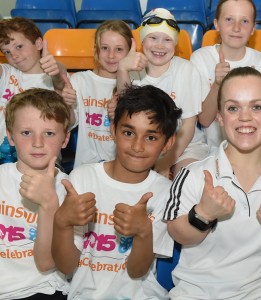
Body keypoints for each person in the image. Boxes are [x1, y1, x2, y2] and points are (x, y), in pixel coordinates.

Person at [164, 67, 261, 299]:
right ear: (219, 116)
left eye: (256, 107)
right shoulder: (192, 174)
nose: (245, 117)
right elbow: (178, 233)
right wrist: (203, 214)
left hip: (258, 295)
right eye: (233, 108)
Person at [51, 85, 182, 299]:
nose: (137, 146)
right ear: (113, 130)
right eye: (129, 132)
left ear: (167, 143)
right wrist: (61, 223)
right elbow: (66, 266)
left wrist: (143, 232)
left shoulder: (165, 192)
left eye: (150, 137)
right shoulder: (82, 178)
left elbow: (137, 271)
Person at [117, 8, 208, 178]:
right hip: (142, 144)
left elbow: (187, 127)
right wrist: (122, 69)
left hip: (185, 146)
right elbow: (123, 113)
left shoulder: (187, 70)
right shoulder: (131, 69)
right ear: (143, 41)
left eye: (167, 40)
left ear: (174, 44)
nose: (160, 45)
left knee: (188, 178)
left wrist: (165, 163)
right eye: (153, 38)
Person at [0, 88, 71, 299]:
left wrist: (49, 204)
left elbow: (47, 263)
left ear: (65, 139)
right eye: (26, 132)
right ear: (10, 137)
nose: (37, 142)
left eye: (49, 133)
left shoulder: (70, 189)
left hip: (42, 288)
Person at [191, 0, 261, 158]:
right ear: (217, 24)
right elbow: (204, 120)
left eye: (244, 21)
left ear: (253, 28)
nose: (236, 28)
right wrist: (218, 85)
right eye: (229, 19)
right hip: (216, 151)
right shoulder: (201, 59)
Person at [62, 20, 132, 168]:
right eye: (105, 48)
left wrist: (120, 113)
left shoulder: (136, 83)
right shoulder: (80, 81)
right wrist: (66, 105)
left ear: (130, 51)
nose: (111, 55)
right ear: (96, 50)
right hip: (86, 167)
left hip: (123, 168)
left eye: (119, 49)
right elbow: (68, 123)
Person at [0, 17, 67, 141]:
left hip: (42, 155)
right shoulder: (8, 72)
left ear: (38, 44)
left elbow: (60, 77)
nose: (14, 55)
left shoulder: (53, 76)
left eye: (19, 46)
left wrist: (57, 69)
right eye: (7, 52)